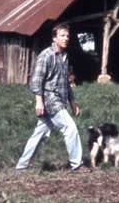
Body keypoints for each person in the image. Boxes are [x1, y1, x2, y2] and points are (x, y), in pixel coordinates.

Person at [16, 23, 86, 172]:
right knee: (70, 128)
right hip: (50, 100)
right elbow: (36, 81)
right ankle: (77, 165)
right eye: (62, 35)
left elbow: (66, 84)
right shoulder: (46, 56)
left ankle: (21, 167)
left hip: (60, 99)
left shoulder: (64, 57)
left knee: (39, 134)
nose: (66, 38)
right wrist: (39, 102)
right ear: (54, 38)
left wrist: (73, 103)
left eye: (67, 36)